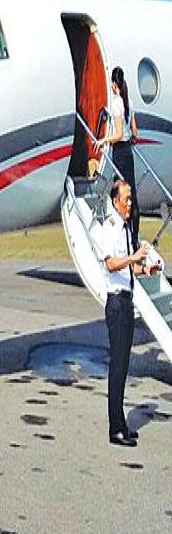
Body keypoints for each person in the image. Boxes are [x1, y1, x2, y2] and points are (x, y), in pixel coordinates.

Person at [100, 179, 158, 446]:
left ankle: (122, 423)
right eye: (126, 199)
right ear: (115, 200)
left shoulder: (124, 228)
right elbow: (111, 264)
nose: (130, 203)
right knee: (118, 366)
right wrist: (135, 258)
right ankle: (115, 429)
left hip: (126, 300)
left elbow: (126, 269)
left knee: (123, 367)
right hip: (116, 304)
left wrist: (144, 270)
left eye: (131, 199)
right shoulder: (110, 228)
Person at [96, 67, 140, 248]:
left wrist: (104, 140)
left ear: (114, 85)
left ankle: (123, 235)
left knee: (119, 192)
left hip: (119, 151)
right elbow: (134, 132)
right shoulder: (130, 101)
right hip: (128, 151)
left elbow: (119, 133)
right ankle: (134, 236)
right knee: (131, 194)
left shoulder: (116, 104)